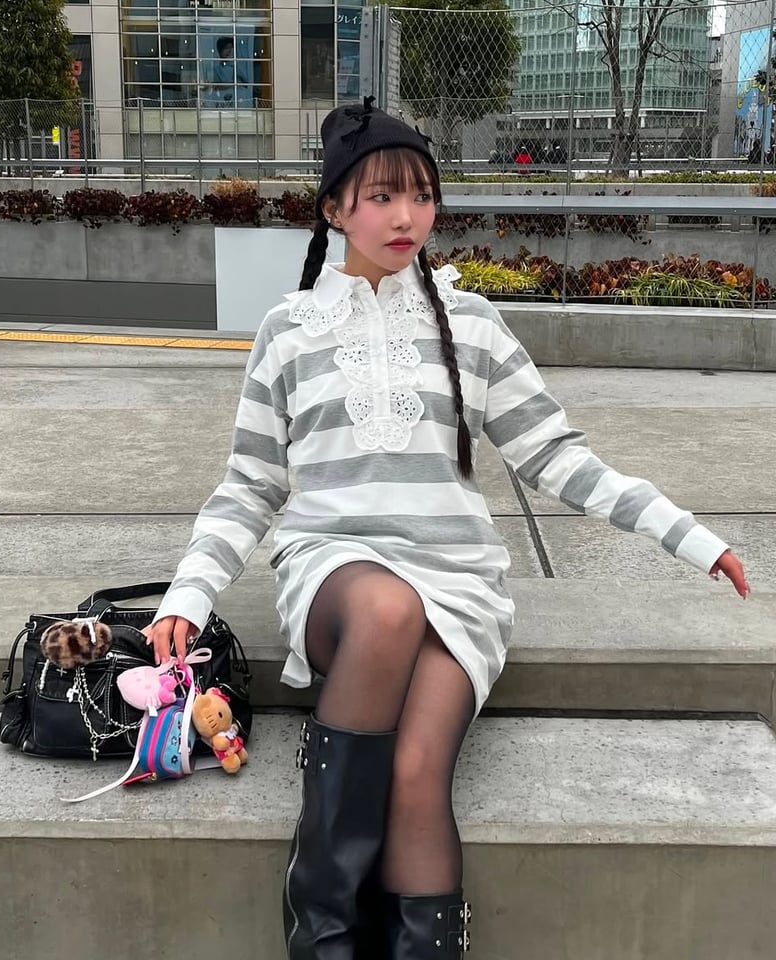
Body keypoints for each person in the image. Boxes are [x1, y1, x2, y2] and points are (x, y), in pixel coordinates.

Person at [143, 98, 750, 959]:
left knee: (419, 772)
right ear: (334, 208)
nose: (406, 217)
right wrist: (190, 592)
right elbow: (250, 483)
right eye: (382, 196)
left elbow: (555, 455)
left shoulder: (471, 323)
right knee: (387, 608)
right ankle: (321, 933)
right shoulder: (288, 331)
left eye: (422, 195)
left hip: (458, 585)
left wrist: (688, 535)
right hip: (335, 571)